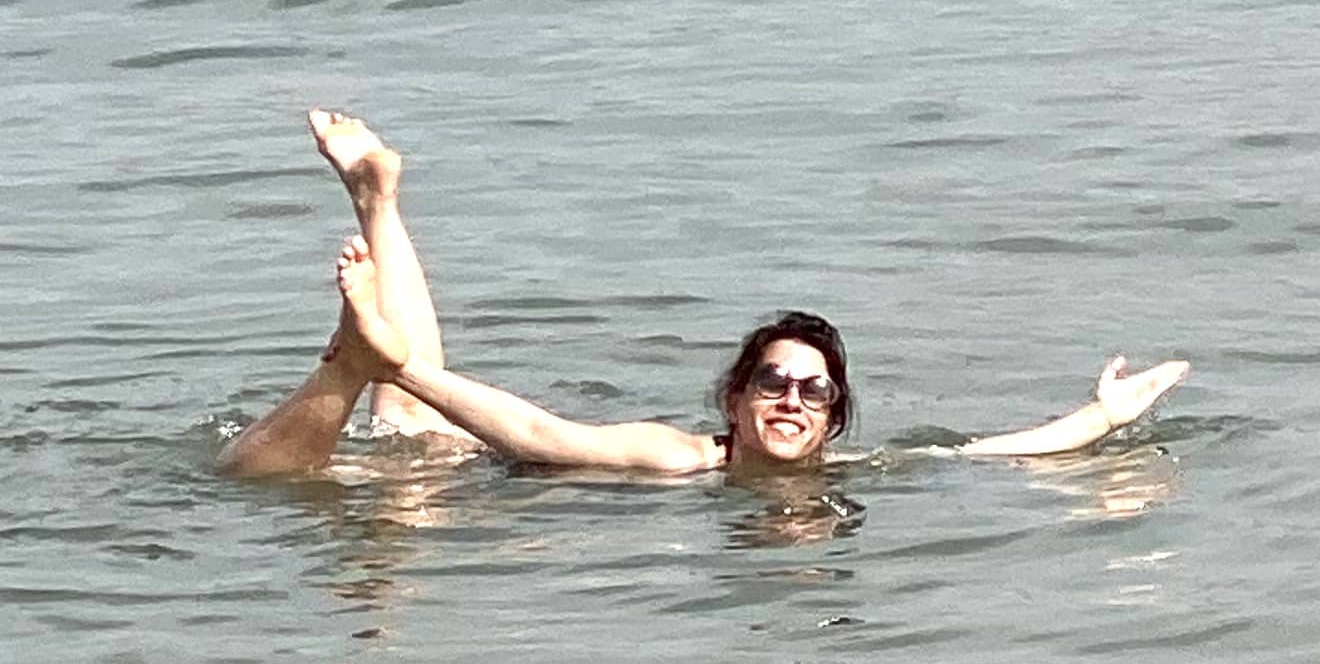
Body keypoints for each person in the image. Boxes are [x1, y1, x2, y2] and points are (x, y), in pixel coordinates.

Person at [220, 111, 1186, 482]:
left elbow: (994, 456)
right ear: (733, 395)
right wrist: (416, 374)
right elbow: (545, 436)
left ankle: (377, 200)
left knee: (401, 412)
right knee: (404, 429)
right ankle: (378, 231)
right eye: (773, 381)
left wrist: (1097, 419)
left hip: (465, 450)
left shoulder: (851, 478)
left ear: (836, 416)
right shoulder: (682, 459)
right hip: (493, 474)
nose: (791, 401)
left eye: (812, 391)